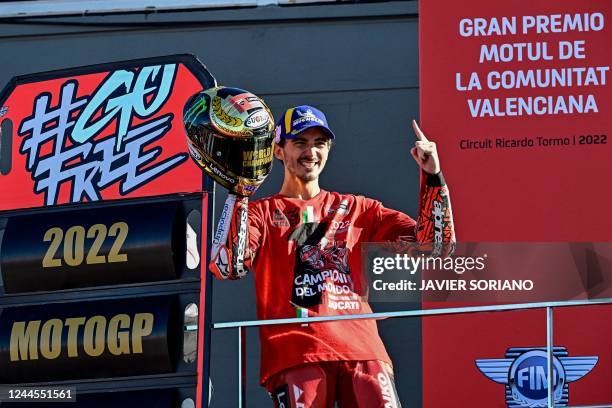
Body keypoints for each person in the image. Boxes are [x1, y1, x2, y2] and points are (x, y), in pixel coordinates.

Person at [210, 105, 455, 407]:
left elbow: (436, 249)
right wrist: (240, 191)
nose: (310, 152)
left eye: (319, 143)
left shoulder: (360, 209)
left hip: (364, 352)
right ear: (278, 150)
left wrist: (433, 177)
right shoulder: (261, 213)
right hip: (296, 354)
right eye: (300, 142)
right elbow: (227, 265)